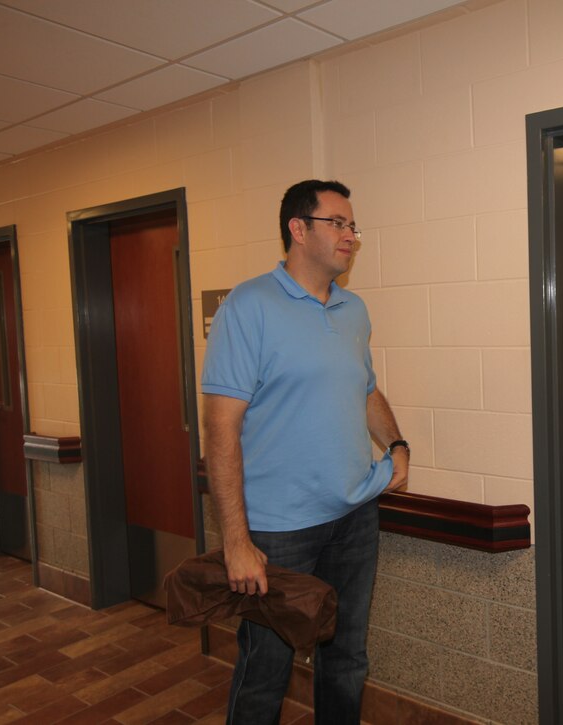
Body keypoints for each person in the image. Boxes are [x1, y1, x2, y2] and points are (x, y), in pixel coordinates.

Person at [202, 179, 409, 724]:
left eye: (352, 225)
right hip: (279, 532)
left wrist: (397, 443)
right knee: (266, 665)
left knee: (346, 659)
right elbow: (220, 430)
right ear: (298, 229)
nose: (351, 236)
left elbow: (363, 388)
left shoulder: (353, 309)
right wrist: (236, 542)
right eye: (337, 224)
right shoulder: (248, 306)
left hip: (355, 516)